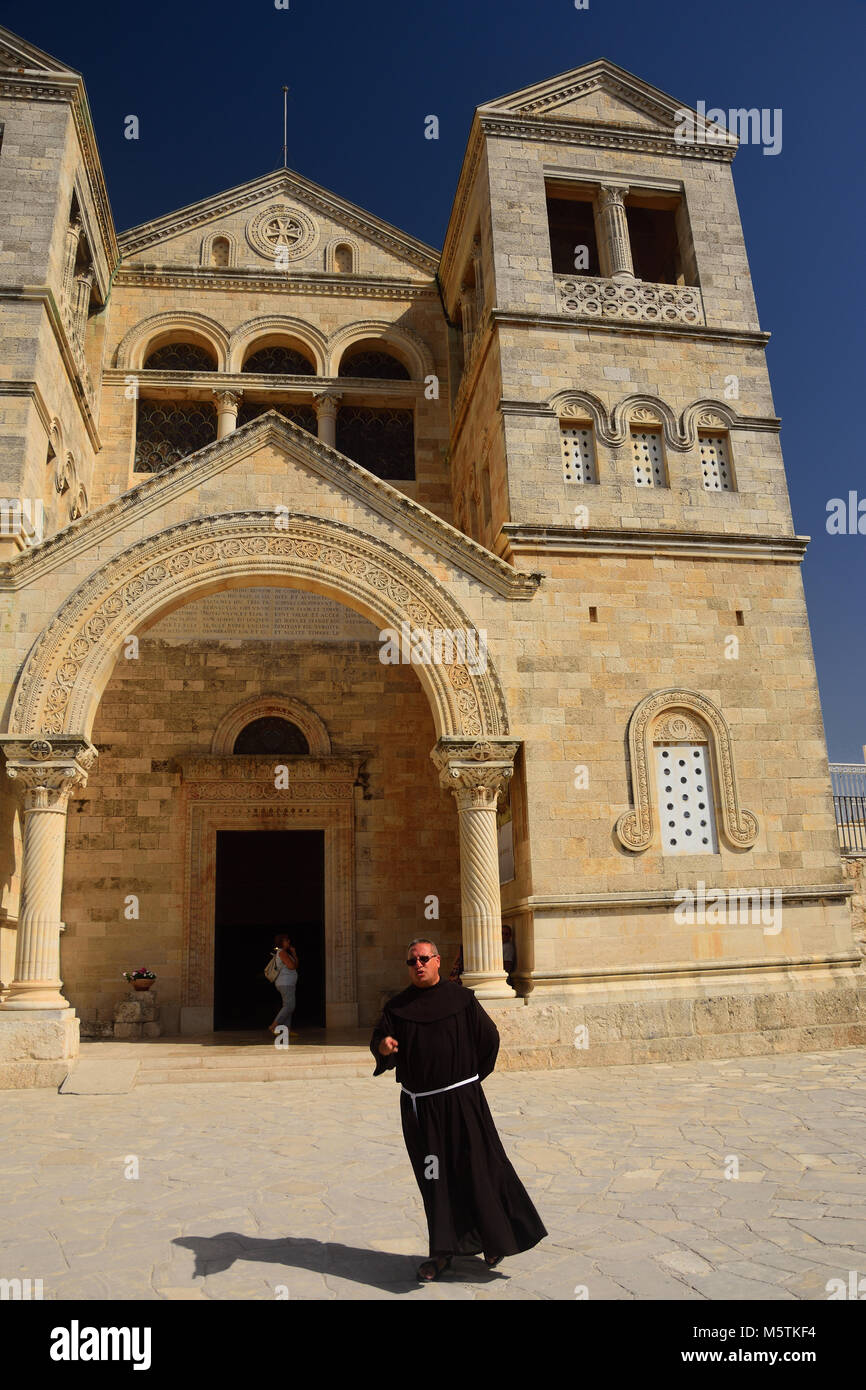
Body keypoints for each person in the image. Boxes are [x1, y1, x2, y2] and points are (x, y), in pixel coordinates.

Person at [370, 937, 547, 1282]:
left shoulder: (462, 1000)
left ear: (437, 961)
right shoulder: (397, 1007)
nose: (417, 965)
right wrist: (384, 1046)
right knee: (434, 1179)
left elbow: (489, 1039)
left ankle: (493, 1240)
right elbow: (381, 1040)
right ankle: (442, 1252)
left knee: (479, 1171)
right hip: (422, 1111)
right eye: (411, 961)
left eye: (423, 958)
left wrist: (468, 1082)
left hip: (463, 1103)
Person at [268, 933, 298, 1040]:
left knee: (288, 1006)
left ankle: (287, 1030)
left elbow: (295, 965)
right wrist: (293, 963)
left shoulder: (286, 953)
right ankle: (274, 1025)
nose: (288, 942)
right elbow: (291, 966)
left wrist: (294, 954)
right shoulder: (282, 953)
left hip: (288, 983)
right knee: (289, 1006)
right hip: (285, 983)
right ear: (281, 942)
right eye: (286, 940)